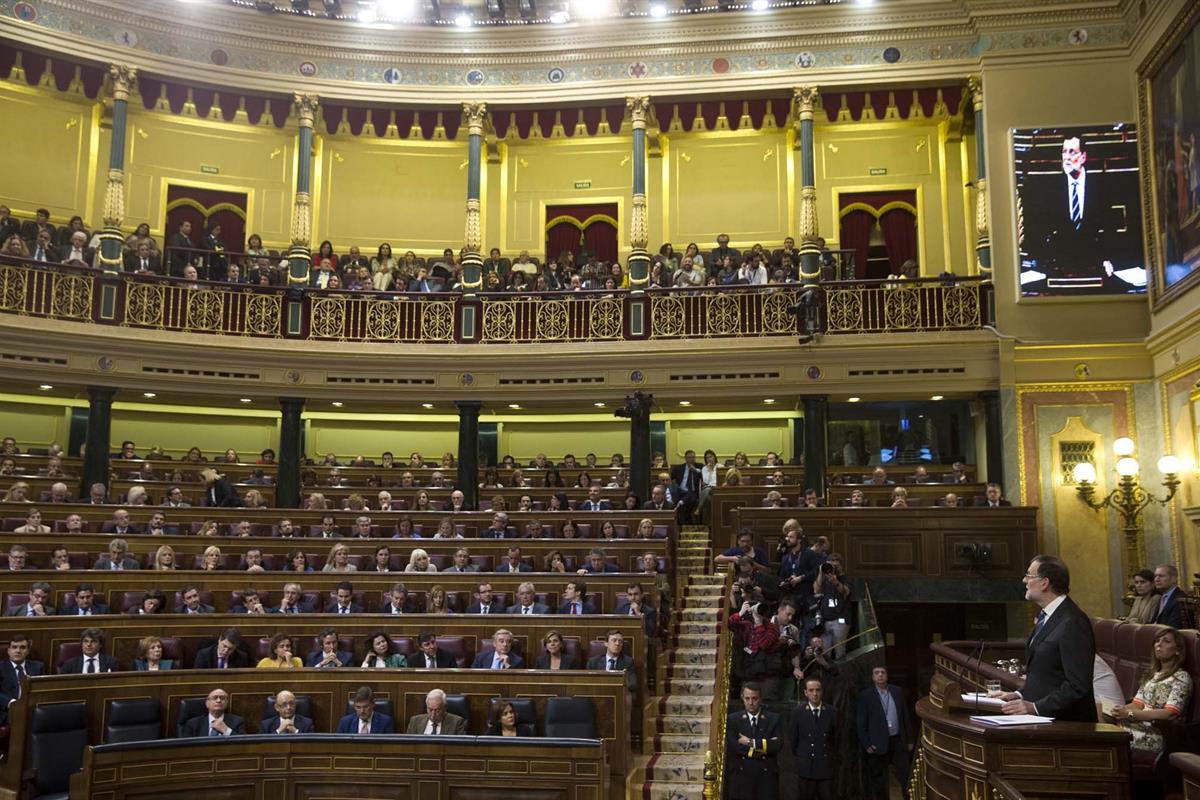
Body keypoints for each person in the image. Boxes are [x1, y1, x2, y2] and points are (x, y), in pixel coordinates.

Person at [994, 555, 1096, 721]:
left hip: (1067, 725)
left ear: (1044, 583)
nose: (1024, 580)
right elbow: (1045, 676)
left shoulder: (1073, 621)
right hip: (1045, 721)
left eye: (1029, 575)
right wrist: (1017, 695)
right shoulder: (1047, 616)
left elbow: (1078, 685)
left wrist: (1034, 707)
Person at [1110, 628, 1193, 755]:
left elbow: (1170, 714)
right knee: (1103, 722)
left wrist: (1130, 714)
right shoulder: (1153, 674)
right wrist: (1121, 710)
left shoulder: (1181, 677)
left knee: (1109, 737)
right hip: (1138, 724)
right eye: (1157, 641)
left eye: (1166, 641)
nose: (1159, 644)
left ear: (1178, 650)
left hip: (1157, 733)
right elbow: (1137, 704)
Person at [857, 666, 913, 800]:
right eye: (877, 673)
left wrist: (910, 739)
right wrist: (867, 744)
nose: (880, 675)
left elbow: (905, 716)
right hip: (877, 743)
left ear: (887, 676)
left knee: (905, 774)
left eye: (883, 673)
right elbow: (861, 722)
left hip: (898, 740)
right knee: (880, 780)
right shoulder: (866, 695)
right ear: (873, 677)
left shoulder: (897, 691)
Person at [725, 682, 781, 800]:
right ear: (742, 698)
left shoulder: (773, 719)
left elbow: (777, 746)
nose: (751, 702)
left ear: (760, 699)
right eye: (747, 698)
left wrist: (750, 742)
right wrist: (764, 747)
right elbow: (735, 747)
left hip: (766, 779)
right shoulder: (733, 719)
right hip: (741, 778)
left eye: (754, 698)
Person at [792, 678, 836, 800]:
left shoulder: (832, 711)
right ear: (805, 692)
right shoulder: (798, 712)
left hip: (825, 766)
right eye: (811, 690)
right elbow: (794, 739)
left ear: (822, 692)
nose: (815, 694)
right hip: (806, 766)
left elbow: (836, 739)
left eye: (817, 690)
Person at [0, 634, 44, 723]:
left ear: (28, 651)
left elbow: (43, 691)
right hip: (8, 711)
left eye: (22, 647)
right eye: (14, 647)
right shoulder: (1, 668)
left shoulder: (38, 667)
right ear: (8, 651)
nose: (18, 651)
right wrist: (12, 703)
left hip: (32, 710)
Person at [180, 688, 245, 737]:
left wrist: (226, 730)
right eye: (215, 698)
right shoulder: (193, 724)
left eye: (222, 698)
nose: (219, 700)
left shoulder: (237, 721)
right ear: (207, 703)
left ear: (227, 703)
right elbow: (185, 747)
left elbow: (244, 744)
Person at [1151, 563, 1184, 628]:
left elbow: (1173, 628)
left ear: (1173, 579)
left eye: (1161, 576)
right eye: (1155, 576)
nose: (1156, 579)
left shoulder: (1180, 599)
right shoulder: (1162, 597)